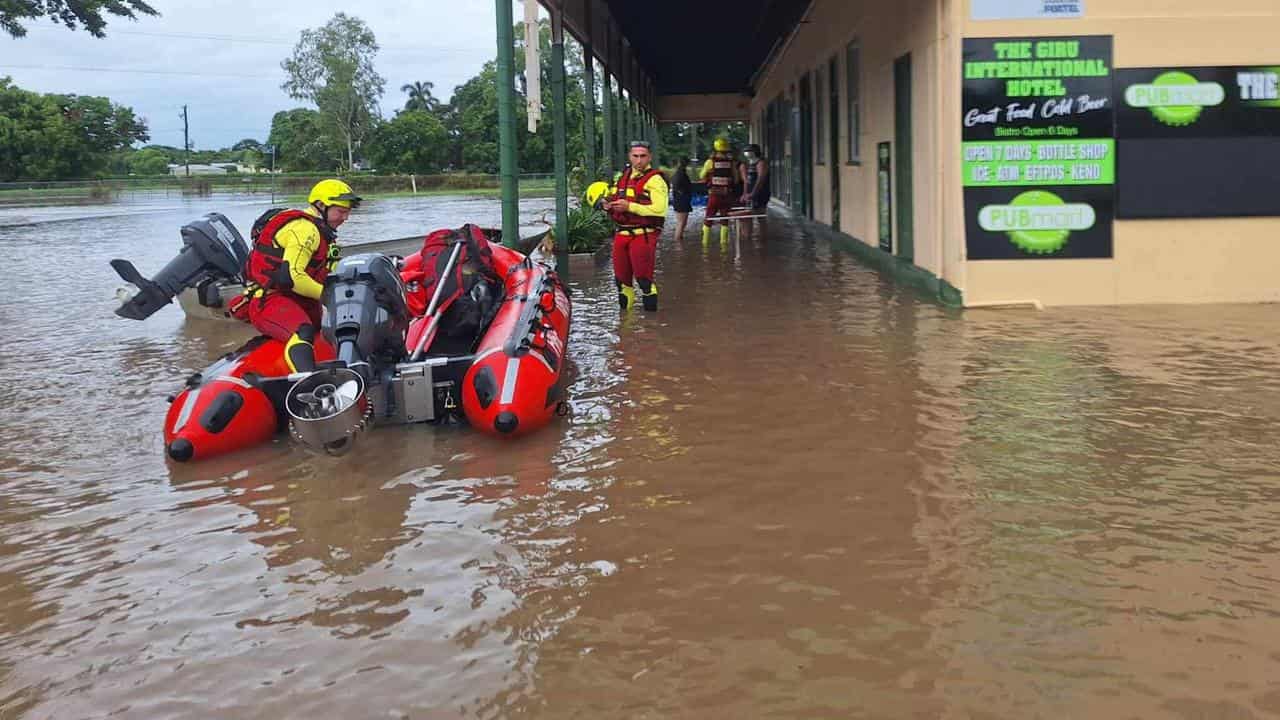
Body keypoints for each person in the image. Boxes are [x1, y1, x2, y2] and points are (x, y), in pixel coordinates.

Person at [237, 178, 362, 372]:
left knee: (330, 328)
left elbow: (329, 271)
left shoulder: (324, 234)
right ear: (321, 205)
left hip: (298, 300)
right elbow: (294, 277)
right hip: (269, 301)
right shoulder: (304, 230)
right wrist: (331, 297)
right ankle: (307, 380)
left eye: (348, 212)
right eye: (341, 211)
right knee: (303, 331)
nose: (346, 218)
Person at [603, 140, 668, 312]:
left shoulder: (655, 180)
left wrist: (630, 207)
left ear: (650, 157)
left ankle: (651, 326)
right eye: (635, 156)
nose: (639, 161)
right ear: (629, 157)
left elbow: (660, 210)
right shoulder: (622, 177)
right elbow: (613, 196)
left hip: (643, 234)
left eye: (643, 156)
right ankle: (625, 326)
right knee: (621, 281)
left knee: (644, 280)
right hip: (621, 235)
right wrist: (607, 204)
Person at [699, 137, 737, 244]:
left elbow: (701, 175)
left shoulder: (710, 162)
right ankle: (723, 246)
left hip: (714, 195)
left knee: (708, 219)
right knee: (725, 221)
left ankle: (705, 245)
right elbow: (736, 179)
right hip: (727, 195)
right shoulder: (731, 162)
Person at [738, 143, 771, 234]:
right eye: (746, 152)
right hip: (749, 193)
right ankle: (747, 237)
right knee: (747, 216)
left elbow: (761, 179)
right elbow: (746, 181)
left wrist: (753, 193)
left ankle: (763, 237)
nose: (747, 153)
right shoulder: (748, 164)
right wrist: (744, 194)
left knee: (760, 216)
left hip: (761, 193)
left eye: (749, 151)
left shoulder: (761, 163)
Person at [670, 157, 693, 240]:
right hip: (681, 200)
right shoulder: (681, 174)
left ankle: (679, 240)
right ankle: (678, 241)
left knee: (682, 222)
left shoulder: (678, 173)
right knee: (681, 222)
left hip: (680, 200)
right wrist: (683, 194)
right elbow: (677, 186)